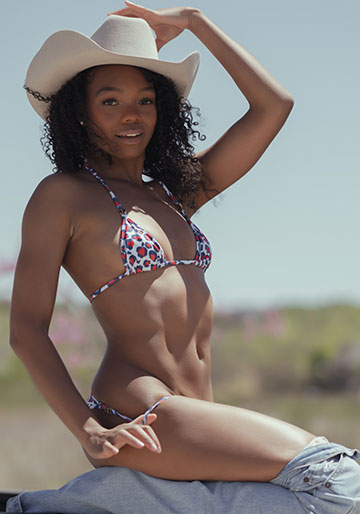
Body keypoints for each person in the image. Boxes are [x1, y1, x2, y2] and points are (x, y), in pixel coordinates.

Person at [10, 2, 360, 512]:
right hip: (139, 409)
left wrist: (196, 22)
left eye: (146, 100)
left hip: (195, 411)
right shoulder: (63, 195)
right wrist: (87, 430)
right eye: (110, 101)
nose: (132, 115)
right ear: (79, 112)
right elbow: (25, 328)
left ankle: (100, 503)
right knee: (335, 476)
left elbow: (273, 106)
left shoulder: (174, 193)